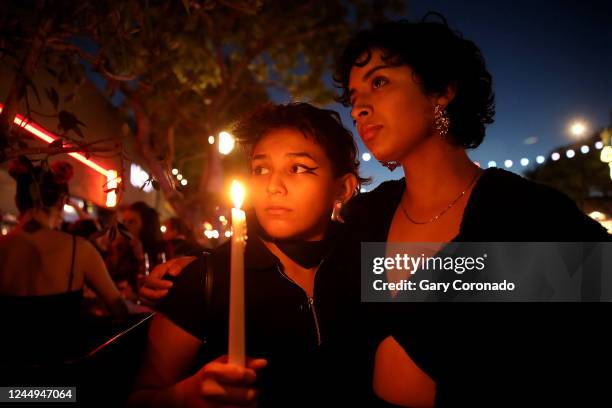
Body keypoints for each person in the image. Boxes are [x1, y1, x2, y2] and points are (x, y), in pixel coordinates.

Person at [334, 17, 611, 406]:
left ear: (441, 91)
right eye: (353, 95)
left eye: (379, 82)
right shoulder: (368, 216)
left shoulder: (521, 214)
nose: (359, 107)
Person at [128, 102, 370, 407]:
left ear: (344, 188)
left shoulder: (367, 261)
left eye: (297, 168)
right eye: (261, 168)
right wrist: (187, 395)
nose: (273, 186)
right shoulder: (204, 279)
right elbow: (140, 397)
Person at [0, 157, 128, 364]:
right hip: (60, 382)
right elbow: (119, 310)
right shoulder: (79, 250)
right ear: (62, 201)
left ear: (17, 201)